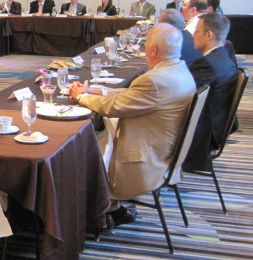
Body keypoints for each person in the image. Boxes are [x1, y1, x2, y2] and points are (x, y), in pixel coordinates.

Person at [69, 23, 195, 227]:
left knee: (78, 150)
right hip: (163, 151)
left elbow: (114, 107)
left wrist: (81, 96)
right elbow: (133, 96)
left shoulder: (154, 81)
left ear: (153, 49)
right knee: (95, 138)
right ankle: (106, 207)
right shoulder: (179, 71)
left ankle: (102, 209)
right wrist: (95, 91)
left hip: (144, 160)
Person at [183, 13, 238, 172]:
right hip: (216, 126)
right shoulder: (224, 58)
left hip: (204, 132)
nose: (193, 35)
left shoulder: (206, 64)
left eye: (196, 31)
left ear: (208, 35)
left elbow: (188, 99)